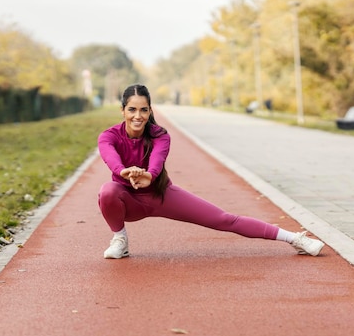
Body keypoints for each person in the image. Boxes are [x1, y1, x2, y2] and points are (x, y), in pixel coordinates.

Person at [97, 84, 325, 259]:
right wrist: (125, 172)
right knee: (107, 191)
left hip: (160, 195)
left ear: (150, 111)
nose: (138, 116)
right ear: (123, 110)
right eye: (132, 109)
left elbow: (156, 163)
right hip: (128, 201)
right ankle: (120, 240)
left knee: (225, 219)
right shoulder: (109, 136)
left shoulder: (160, 134)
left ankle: (294, 238)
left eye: (144, 110)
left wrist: (148, 176)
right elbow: (111, 159)